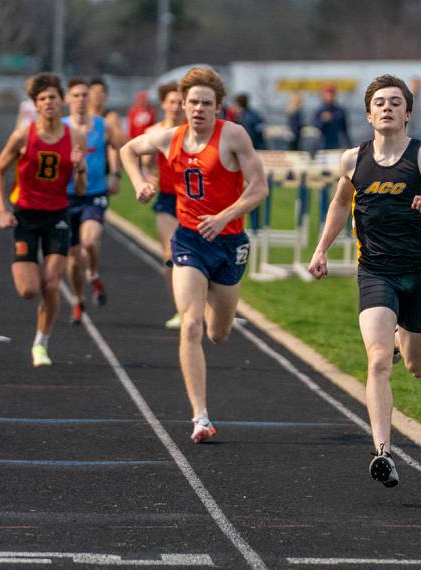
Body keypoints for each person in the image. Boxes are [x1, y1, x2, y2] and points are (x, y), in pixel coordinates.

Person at [307, 74, 421, 487]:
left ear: (408, 113)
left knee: (416, 366)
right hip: (375, 273)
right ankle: (383, 450)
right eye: (379, 102)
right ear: (368, 114)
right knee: (378, 360)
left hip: (418, 274)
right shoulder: (353, 160)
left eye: (395, 102)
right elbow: (339, 205)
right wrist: (321, 249)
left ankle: (404, 342)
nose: (387, 108)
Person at [120, 67, 269, 443]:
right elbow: (128, 149)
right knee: (190, 325)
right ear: (182, 106)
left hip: (228, 241)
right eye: (193, 103)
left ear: (218, 107)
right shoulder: (170, 137)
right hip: (189, 239)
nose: (198, 109)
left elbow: (259, 188)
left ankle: (208, 308)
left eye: (206, 103)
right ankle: (200, 416)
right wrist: (140, 182)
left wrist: (223, 217)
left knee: (219, 333)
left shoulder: (233, 136)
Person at [0, 72, 87, 367]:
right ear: (36, 104)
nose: (49, 103)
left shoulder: (75, 136)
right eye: (42, 99)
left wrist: (80, 169)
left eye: (53, 98)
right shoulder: (23, 135)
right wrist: (2, 210)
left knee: (52, 284)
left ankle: (41, 344)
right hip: (26, 216)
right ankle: (26, 269)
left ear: (62, 102)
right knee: (29, 290)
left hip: (58, 214)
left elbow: (80, 189)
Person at [62, 78, 123, 324]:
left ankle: (94, 273)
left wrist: (117, 173)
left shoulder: (103, 125)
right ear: (67, 99)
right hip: (65, 197)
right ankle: (78, 300)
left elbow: (122, 146)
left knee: (89, 241)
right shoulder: (61, 126)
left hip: (94, 193)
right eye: (75, 95)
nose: (80, 99)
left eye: (84, 95)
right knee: (73, 259)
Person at [141, 81, 186, 329]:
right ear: (163, 105)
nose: (176, 107)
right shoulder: (154, 132)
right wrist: (148, 179)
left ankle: (200, 301)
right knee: (170, 256)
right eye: (172, 102)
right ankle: (180, 308)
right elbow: (144, 161)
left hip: (193, 201)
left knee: (198, 257)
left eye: (180, 102)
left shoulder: (193, 131)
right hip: (168, 199)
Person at [313, 83, 350, 149]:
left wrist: (348, 146)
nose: (330, 96)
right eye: (327, 94)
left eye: (332, 94)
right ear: (323, 95)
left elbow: (345, 130)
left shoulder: (340, 110)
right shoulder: (319, 110)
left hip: (336, 145)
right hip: (321, 146)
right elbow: (314, 129)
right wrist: (323, 120)